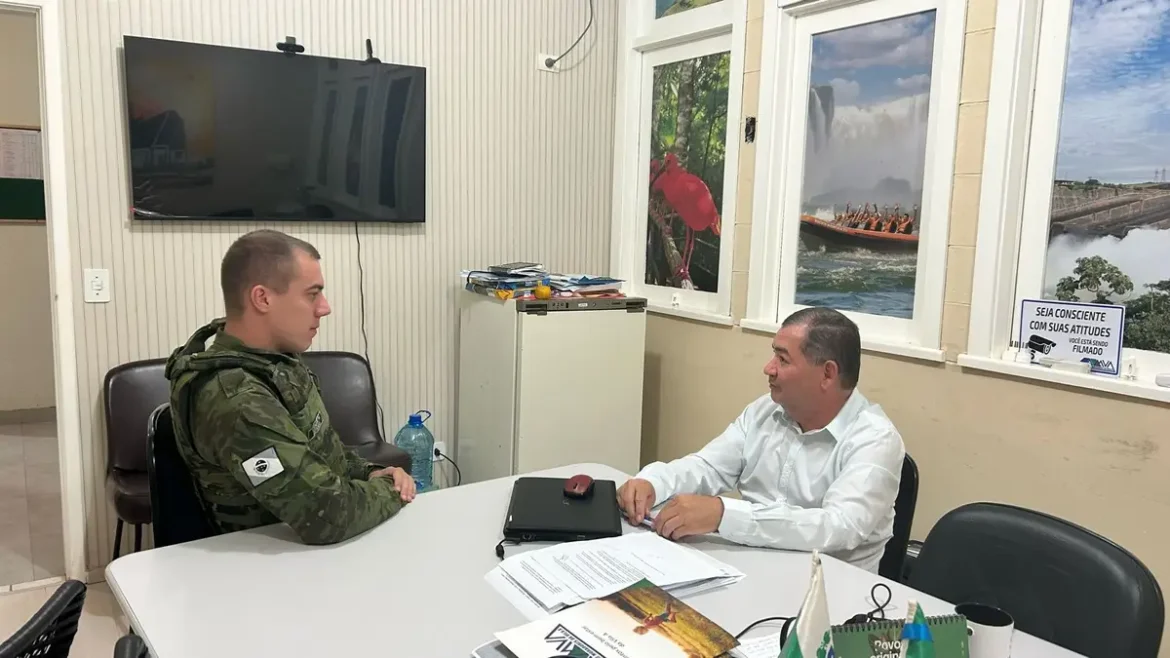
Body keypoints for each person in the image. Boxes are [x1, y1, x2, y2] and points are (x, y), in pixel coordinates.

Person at [165, 229, 415, 545]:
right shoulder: (238, 401)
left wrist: (372, 473)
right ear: (263, 298)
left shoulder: (274, 362)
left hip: (310, 555)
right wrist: (392, 490)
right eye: (312, 294)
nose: (324, 307)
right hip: (269, 574)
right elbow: (327, 516)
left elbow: (325, 455)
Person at [617, 307, 904, 572]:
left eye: (783, 359)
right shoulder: (765, 411)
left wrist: (723, 515)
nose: (769, 368)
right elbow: (709, 466)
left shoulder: (876, 440)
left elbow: (838, 527)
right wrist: (653, 482)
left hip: (830, 593)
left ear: (827, 374)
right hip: (750, 569)